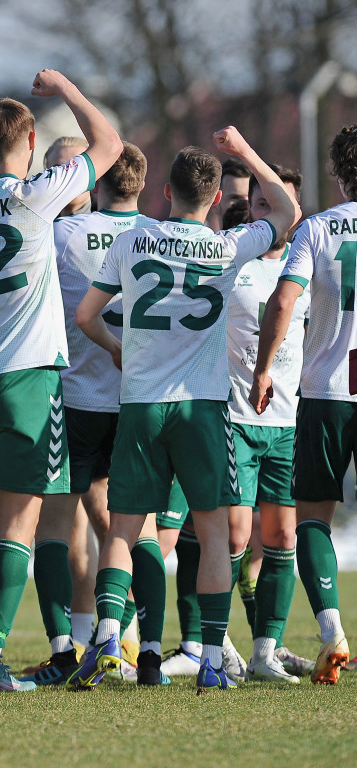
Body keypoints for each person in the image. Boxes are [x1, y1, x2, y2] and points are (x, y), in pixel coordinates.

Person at [71, 126, 299, 693]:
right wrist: (246, 151)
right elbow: (289, 210)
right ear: (217, 199)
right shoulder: (228, 246)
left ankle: (105, 639)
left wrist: (118, 348)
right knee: (215, 535)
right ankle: (214, 660)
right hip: (200, 409)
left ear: (164, 193)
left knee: (123, 531)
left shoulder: (134, 240)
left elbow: (85, 317)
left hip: (142, 405)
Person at [0, 70, 122, 691]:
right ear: (26, 140)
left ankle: (1, 642)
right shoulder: (35, 193)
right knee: (23, 522)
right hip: (29, 378)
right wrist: (70, 91)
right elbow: (110, 145)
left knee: (10, 519)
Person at [21, 142, 160, 686]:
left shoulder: (59, 234)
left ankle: (64, 649)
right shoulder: (162, 235)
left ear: (94, 178)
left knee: (54, 526)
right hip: (140, 400)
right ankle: (140, 647)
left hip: (74, 398)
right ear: (144, 185)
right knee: (136, 530)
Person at [249, 123, 357, 685]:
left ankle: (332, 629)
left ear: (339, 175)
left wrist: (265, 368)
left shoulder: (317, 228)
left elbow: (284, 299)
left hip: (327, 390)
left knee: (313, 515)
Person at [219, 164, 309, 683]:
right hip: (235, 416)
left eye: (280, 205)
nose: (270, 212)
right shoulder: (233, 259)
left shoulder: (307, 264)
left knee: (281, 536)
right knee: (233, 534)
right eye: (261, 204)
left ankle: (265, 651)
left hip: (289, 421)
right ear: (250, 209)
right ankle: (215, 641)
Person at [44, 137, 92, 218]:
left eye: (76, 169)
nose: (68, 176)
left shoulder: (109, 226)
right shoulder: (33, 224)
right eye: (59, 169)